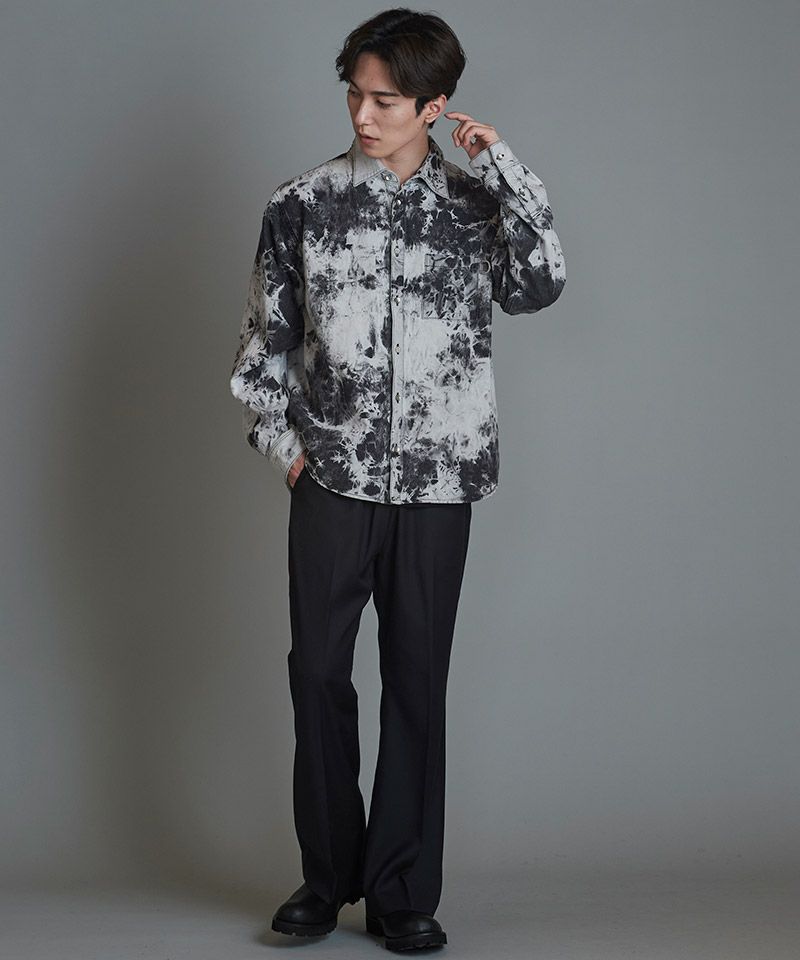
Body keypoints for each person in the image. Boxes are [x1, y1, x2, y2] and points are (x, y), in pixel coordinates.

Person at [229, 7, 565, 952]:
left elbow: (540, 284)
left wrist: (505, 167)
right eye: (355, 95)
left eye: (385, 100)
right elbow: (261, 352)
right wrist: (287, 451)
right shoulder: (302, 203)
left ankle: (402, 891)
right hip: (332, 478)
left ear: (434, 105)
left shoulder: (473, 207)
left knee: (417, 682)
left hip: (440, 481)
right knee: (317, 674)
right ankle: (325, 877)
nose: (364, 115)